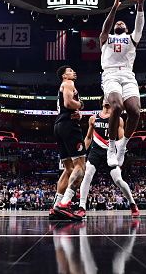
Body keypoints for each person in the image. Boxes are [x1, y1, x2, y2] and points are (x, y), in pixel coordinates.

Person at [99, 0, 146, 167]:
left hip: (127, 74)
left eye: (122, 24)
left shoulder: (132, 38)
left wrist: (140, 4)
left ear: (126, 28)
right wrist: (114, 8)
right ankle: (111, 146)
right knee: (117, 106)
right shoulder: (106, 38)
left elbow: (139, 25)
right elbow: (106, 26)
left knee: (135, 110)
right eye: (117, 23)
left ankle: (123, 145)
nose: (119, 24)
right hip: (110, 74)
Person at [76, 98, 140, 219]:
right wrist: (83, 153)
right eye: (104, 98)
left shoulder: (118, 119)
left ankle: (132, 204)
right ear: (102, 102)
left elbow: (121, 140)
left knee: (118, 180)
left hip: (110, 151)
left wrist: (121, 156)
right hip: (96, 150)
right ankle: (82, 207)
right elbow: (88, 137)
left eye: (108, 98)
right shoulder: (93, 118)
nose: (106, 100)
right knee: (87, 174)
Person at [51, 65, 86, 221]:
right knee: (80, 166)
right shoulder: (68, 83)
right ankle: (65, 204)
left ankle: (56, 206)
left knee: (68, 168)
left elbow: (65, 107)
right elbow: (68, 103)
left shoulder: (64, 85)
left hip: (59, 125)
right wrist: (80, 105)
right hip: (69, 126)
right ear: (64, 76)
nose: (74, 72)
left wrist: (77, 114)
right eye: (70, 71)